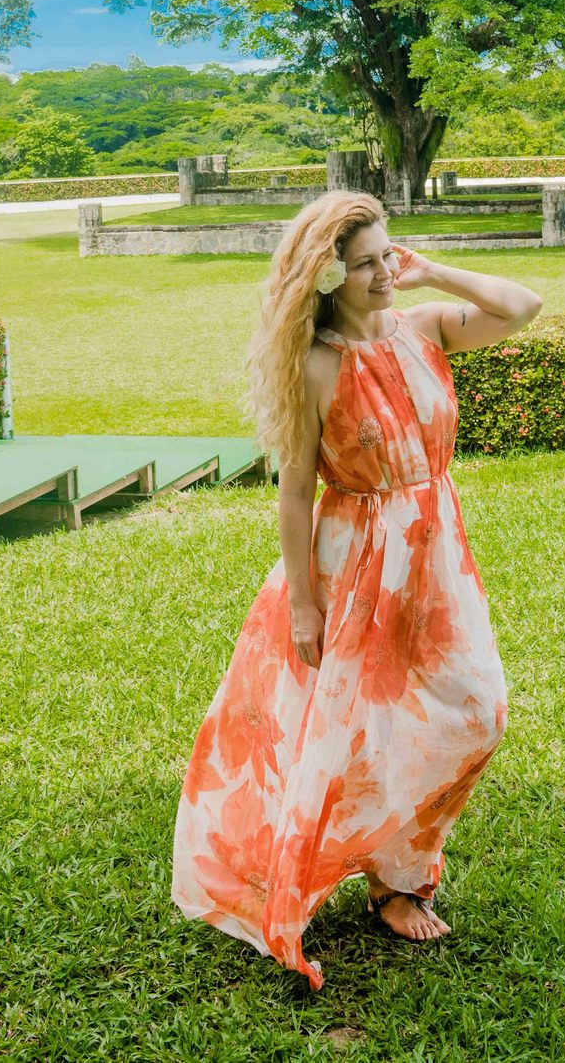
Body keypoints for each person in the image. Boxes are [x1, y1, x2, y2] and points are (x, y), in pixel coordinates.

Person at [171, 189, 543, 990]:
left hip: (435, 556)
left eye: (388, 254)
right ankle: (394, 885)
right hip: (353, 561)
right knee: (360, 732)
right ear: (329, 275)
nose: (384, 272)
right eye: (367, 262)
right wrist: (304, 603)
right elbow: (296, 490)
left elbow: (524, 305)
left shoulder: (427, 327)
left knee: (477, 708)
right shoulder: (315, 363)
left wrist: (431, 271)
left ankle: (398, 869)